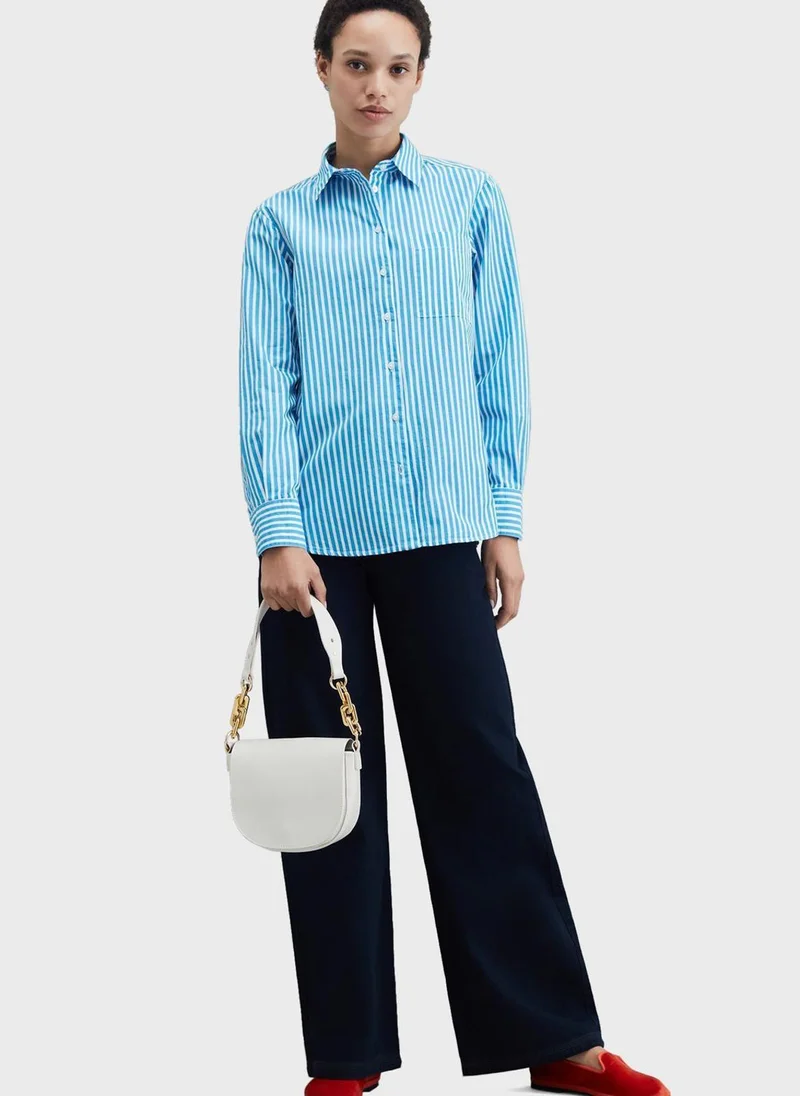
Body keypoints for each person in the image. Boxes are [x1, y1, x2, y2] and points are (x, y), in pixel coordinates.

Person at [238, 3, 670, 1095]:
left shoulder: (472, 202)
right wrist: (277, 535)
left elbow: (499, 363)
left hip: (441, 531)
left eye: (397, 67)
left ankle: (556, 1041)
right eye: (356, 63)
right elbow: (264, 385)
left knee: (482, 773)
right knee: (328, 791)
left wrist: (504, 518)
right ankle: (344, 1057)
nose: (375, 85)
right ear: (321, 69)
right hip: (315, 558)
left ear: (421, 75)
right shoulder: (278, 224)